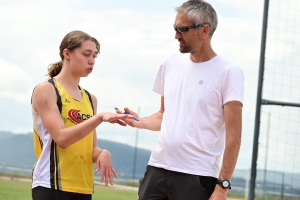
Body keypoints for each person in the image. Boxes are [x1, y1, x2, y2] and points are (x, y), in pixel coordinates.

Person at [116, 0, 244, 199]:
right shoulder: (169, 63)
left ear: (204, 30)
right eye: (175, 28)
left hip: (197, 175)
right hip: (157, 168)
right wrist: (139, 122)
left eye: (182, 29)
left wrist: (222, 187)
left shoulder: (229, 72)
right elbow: (164, 114)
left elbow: (234, 136)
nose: (176, 35)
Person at [31, 30, 133, 200]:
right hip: (51, 184)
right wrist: (99, 118)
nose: (91, 60)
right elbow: (62, 139)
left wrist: (102, 153)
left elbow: (90, 149)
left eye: (94, 55)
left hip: (83, 187)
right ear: (67, 53)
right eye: (86, 54)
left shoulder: (90, 99)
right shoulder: (47, 90)